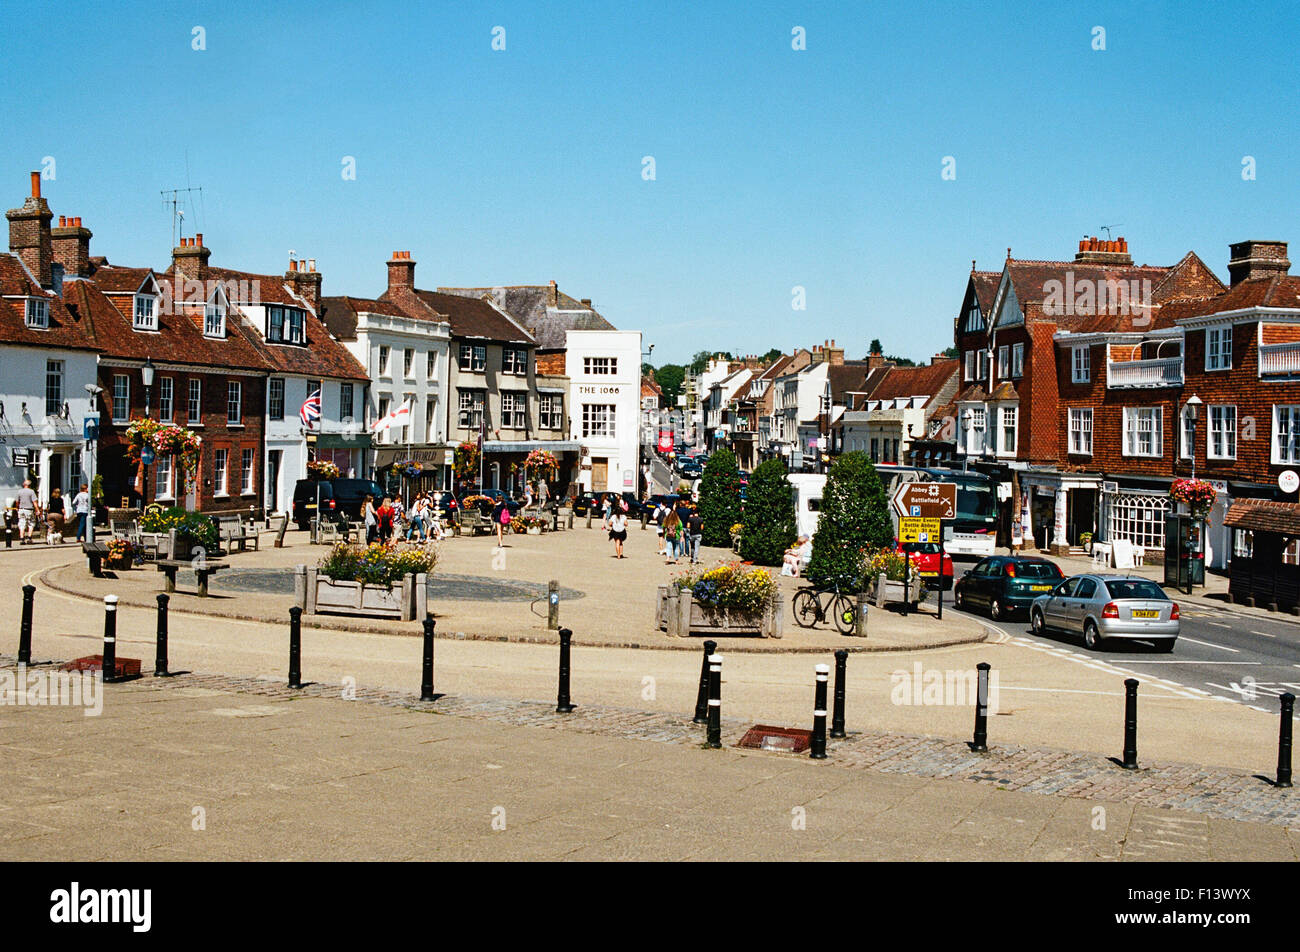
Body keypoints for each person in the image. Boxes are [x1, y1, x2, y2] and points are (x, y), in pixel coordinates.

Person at [15, 479, 40, 545]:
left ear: (24, 484)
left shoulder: (19, 491)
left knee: (22, 524)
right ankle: (29, 538)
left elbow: (17, 501)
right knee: (31, 524)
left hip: (21, 509)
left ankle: (22, 539)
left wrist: (17, 507)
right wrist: (37, 510)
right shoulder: (31, 492)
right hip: (29, 510)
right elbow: (34, 502)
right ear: (29, 485)